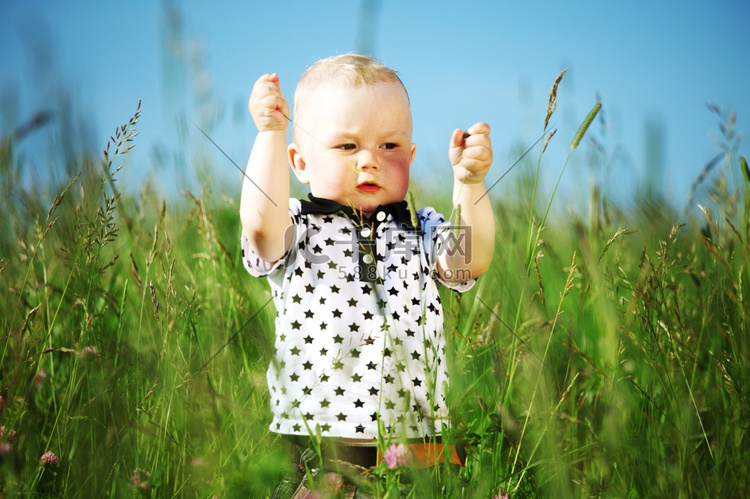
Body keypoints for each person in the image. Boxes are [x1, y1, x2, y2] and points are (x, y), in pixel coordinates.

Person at [239, 53, 494, 495]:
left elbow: (468, 261)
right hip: (319, 453)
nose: (369, 160)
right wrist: (270, 135)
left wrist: (470, 185)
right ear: (299, 164)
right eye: (347, 146)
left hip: (418, 450)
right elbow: (261, 227)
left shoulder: (421, 227)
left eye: (389, 146)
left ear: (411, 157)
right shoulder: (297, 226)